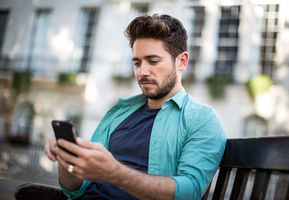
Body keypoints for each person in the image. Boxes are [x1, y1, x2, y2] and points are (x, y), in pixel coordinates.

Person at [45, 14, 227, 200]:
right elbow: (74, 188)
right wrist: (66, 158)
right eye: (137, 63)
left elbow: (190, 192)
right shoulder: (120, 113)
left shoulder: (202, 119)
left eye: (153, 61)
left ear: (182, 61)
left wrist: (114, 172)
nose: (142, 72)